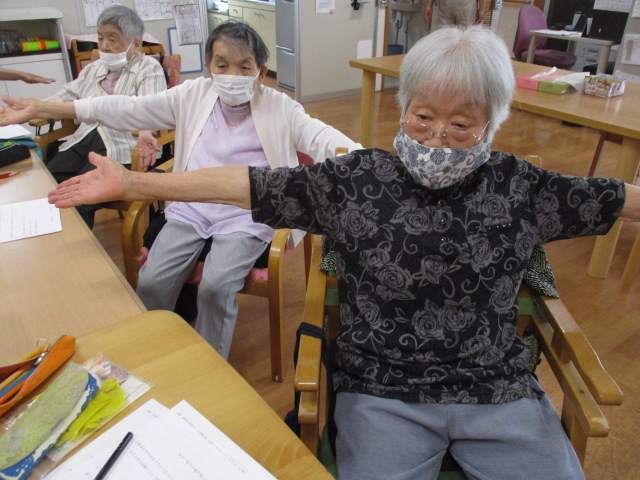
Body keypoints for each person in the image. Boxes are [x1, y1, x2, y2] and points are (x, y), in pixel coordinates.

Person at [26, 26, 640, 479]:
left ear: (494, 123)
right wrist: (138, 183)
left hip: (499, 392)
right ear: (403, 110)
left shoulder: (520, 187)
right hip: (384, 394)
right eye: (423, 118)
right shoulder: (359, 181)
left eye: (461, 125)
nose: (436, 139)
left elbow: (618, 198)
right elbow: (247, 182)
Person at [1, 20, 360, 360]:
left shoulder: (281, 107)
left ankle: (208, 363)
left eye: (244, 67)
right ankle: (156, 348)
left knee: (216, 286)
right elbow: (128, 108)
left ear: (261, 73)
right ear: (208, 67)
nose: (232, 76)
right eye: (222, 65)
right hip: (192, 206)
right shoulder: (193, 94)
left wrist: (373, 165)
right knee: (152, 280)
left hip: (245, 214)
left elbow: (323, 138)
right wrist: (46, 106)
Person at [40, 5, 167, 227]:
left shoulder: (149, 68)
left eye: (113, 39)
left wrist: (146, 132)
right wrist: (33, 108)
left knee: (78, 196)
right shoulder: (94, 68)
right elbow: (67, 93)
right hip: (85, 137)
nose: (105, 46)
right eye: (100, 39)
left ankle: (73, 254)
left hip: (123, 144)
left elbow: (150, 108)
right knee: (47, 183)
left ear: (135, 43)